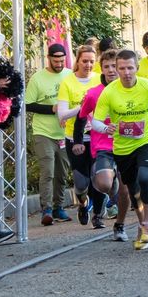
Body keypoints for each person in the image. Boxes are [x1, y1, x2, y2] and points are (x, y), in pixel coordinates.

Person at [89, 50, 148, 250]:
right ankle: (144, 218)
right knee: (132, 188)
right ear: (117, 69)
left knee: (145, 177)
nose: (126, 72)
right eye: (122, 68)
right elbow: (96, 121)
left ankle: (147, 224)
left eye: (130, 68)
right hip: (122, 147)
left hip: (146, 141)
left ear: (137, 68)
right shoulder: (110, 91)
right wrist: (105, 127)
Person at [72, 50, 124, 230]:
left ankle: (104, 212)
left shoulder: (130, 89)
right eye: (106, 67)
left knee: (125, 183)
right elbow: (81, 117)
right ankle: (96, 213)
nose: (111, 70)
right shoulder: (94, 93)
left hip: (126, 143)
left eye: (114, 66)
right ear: (100, 69)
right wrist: (78, 141)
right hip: (101, 144)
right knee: (99, 180)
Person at [24, 43, 72, 225]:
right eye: (56, 60)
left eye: (62, 60)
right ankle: (47, 209)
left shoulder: (69, 75)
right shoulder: (38, 78)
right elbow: (28, 105)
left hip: (64, 132)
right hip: (43, 132)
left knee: (62, 172)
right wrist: (52, 108)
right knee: (48, 171)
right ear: (49, 58)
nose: (59, 64)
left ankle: (59, 207)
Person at [56, 45, 99, 222]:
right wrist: (82, 108)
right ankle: (83, 202)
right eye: (84, 61)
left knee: (98, 176)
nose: (88, 65)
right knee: (81, 183)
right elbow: (62, 114)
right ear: (78, 61)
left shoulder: (98, 80)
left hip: (97, 135)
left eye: (91, 61)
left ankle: (98, 215)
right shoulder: (68, 82)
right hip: (75, 137)